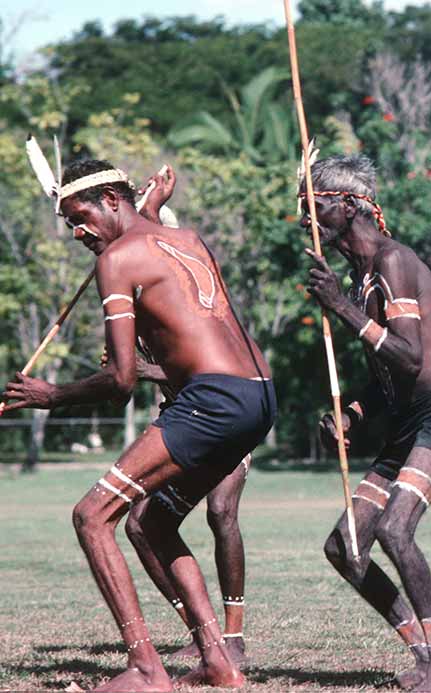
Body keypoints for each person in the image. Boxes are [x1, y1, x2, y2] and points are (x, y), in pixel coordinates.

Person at [4, 158, 275, 691]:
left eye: (80, 217)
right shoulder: (186, 236)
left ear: (112, 200)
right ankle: (219, 664)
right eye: (69, 225)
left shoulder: (117, 260)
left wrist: (51, 395)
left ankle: (147, 669)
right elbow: (145, 235)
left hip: (213, 400)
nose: (78, 232)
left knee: (91, 516)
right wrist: (145, 208)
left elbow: (122, 380)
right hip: (259, 397)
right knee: (149, 523)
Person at [302, 154, 431, 692]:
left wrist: (341, 309)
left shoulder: (393, 261)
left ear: (351, 205)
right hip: (406, 420)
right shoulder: (360, 277)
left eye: (316, 206)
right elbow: (389, 378)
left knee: (394, 529)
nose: (308, 218)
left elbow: (408, 357)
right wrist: (352, 411)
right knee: (345, 546)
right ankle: (423, 651)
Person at [116, 166, 253, 666]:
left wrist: (141, 369)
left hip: (226, 417)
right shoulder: (137, 289)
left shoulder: (199, 293)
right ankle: (202, 631)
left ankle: (232, 635)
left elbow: (199, 364)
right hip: (183, 420)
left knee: (221, 512)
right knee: (140, 525)